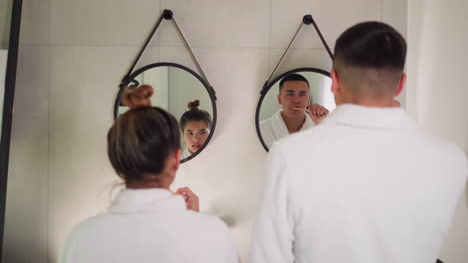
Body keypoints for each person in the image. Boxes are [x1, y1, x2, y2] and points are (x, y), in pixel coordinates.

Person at [249, 21, 467, 263]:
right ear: (401, 83)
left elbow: (267, 258)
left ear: (334, 81)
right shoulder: (451, 159)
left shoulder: (288, 156)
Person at [60, 88, 238, 263]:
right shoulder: (214, 234)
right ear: (176, 159)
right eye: (189, 133)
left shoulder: (81, 239)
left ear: (116, 162)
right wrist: (197, 224)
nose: (195, 138)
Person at [259, 74, 329, 149]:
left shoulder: (320, 129)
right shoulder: (260, 130)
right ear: (279, 99)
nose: (296, 100)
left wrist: (327, 123)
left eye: (302, 94)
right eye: (290, 94)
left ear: (308, 100)